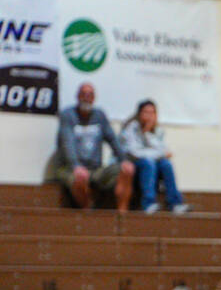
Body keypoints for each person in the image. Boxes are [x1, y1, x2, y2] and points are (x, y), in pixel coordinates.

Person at [54, 82, 134, 211]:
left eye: (90, 95)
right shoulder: (67, 115)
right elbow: (67, 143)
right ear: (77, 96)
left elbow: (113, 139)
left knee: (127, 170)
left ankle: (122, 215)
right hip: (69, 168)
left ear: (94, 98)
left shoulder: (99, 115)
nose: (86, 97)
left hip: (95, 169)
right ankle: (88, 210)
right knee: (80, 177)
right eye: (83, 94)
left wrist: (124, 160)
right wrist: (76, 166)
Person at [120, 99, 190, 214]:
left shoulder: (157, 130)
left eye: (152, 113)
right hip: (133, 164)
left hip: (150, 163)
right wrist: (146, 134)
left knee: (166, 164)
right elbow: (136, 153)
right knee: (149, 162)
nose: (149, 116)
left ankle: (175, 203)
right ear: (139, 114)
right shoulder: (130, 128)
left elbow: (164, 151)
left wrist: (148, 132)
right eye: (146, 112)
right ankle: (148, 203)